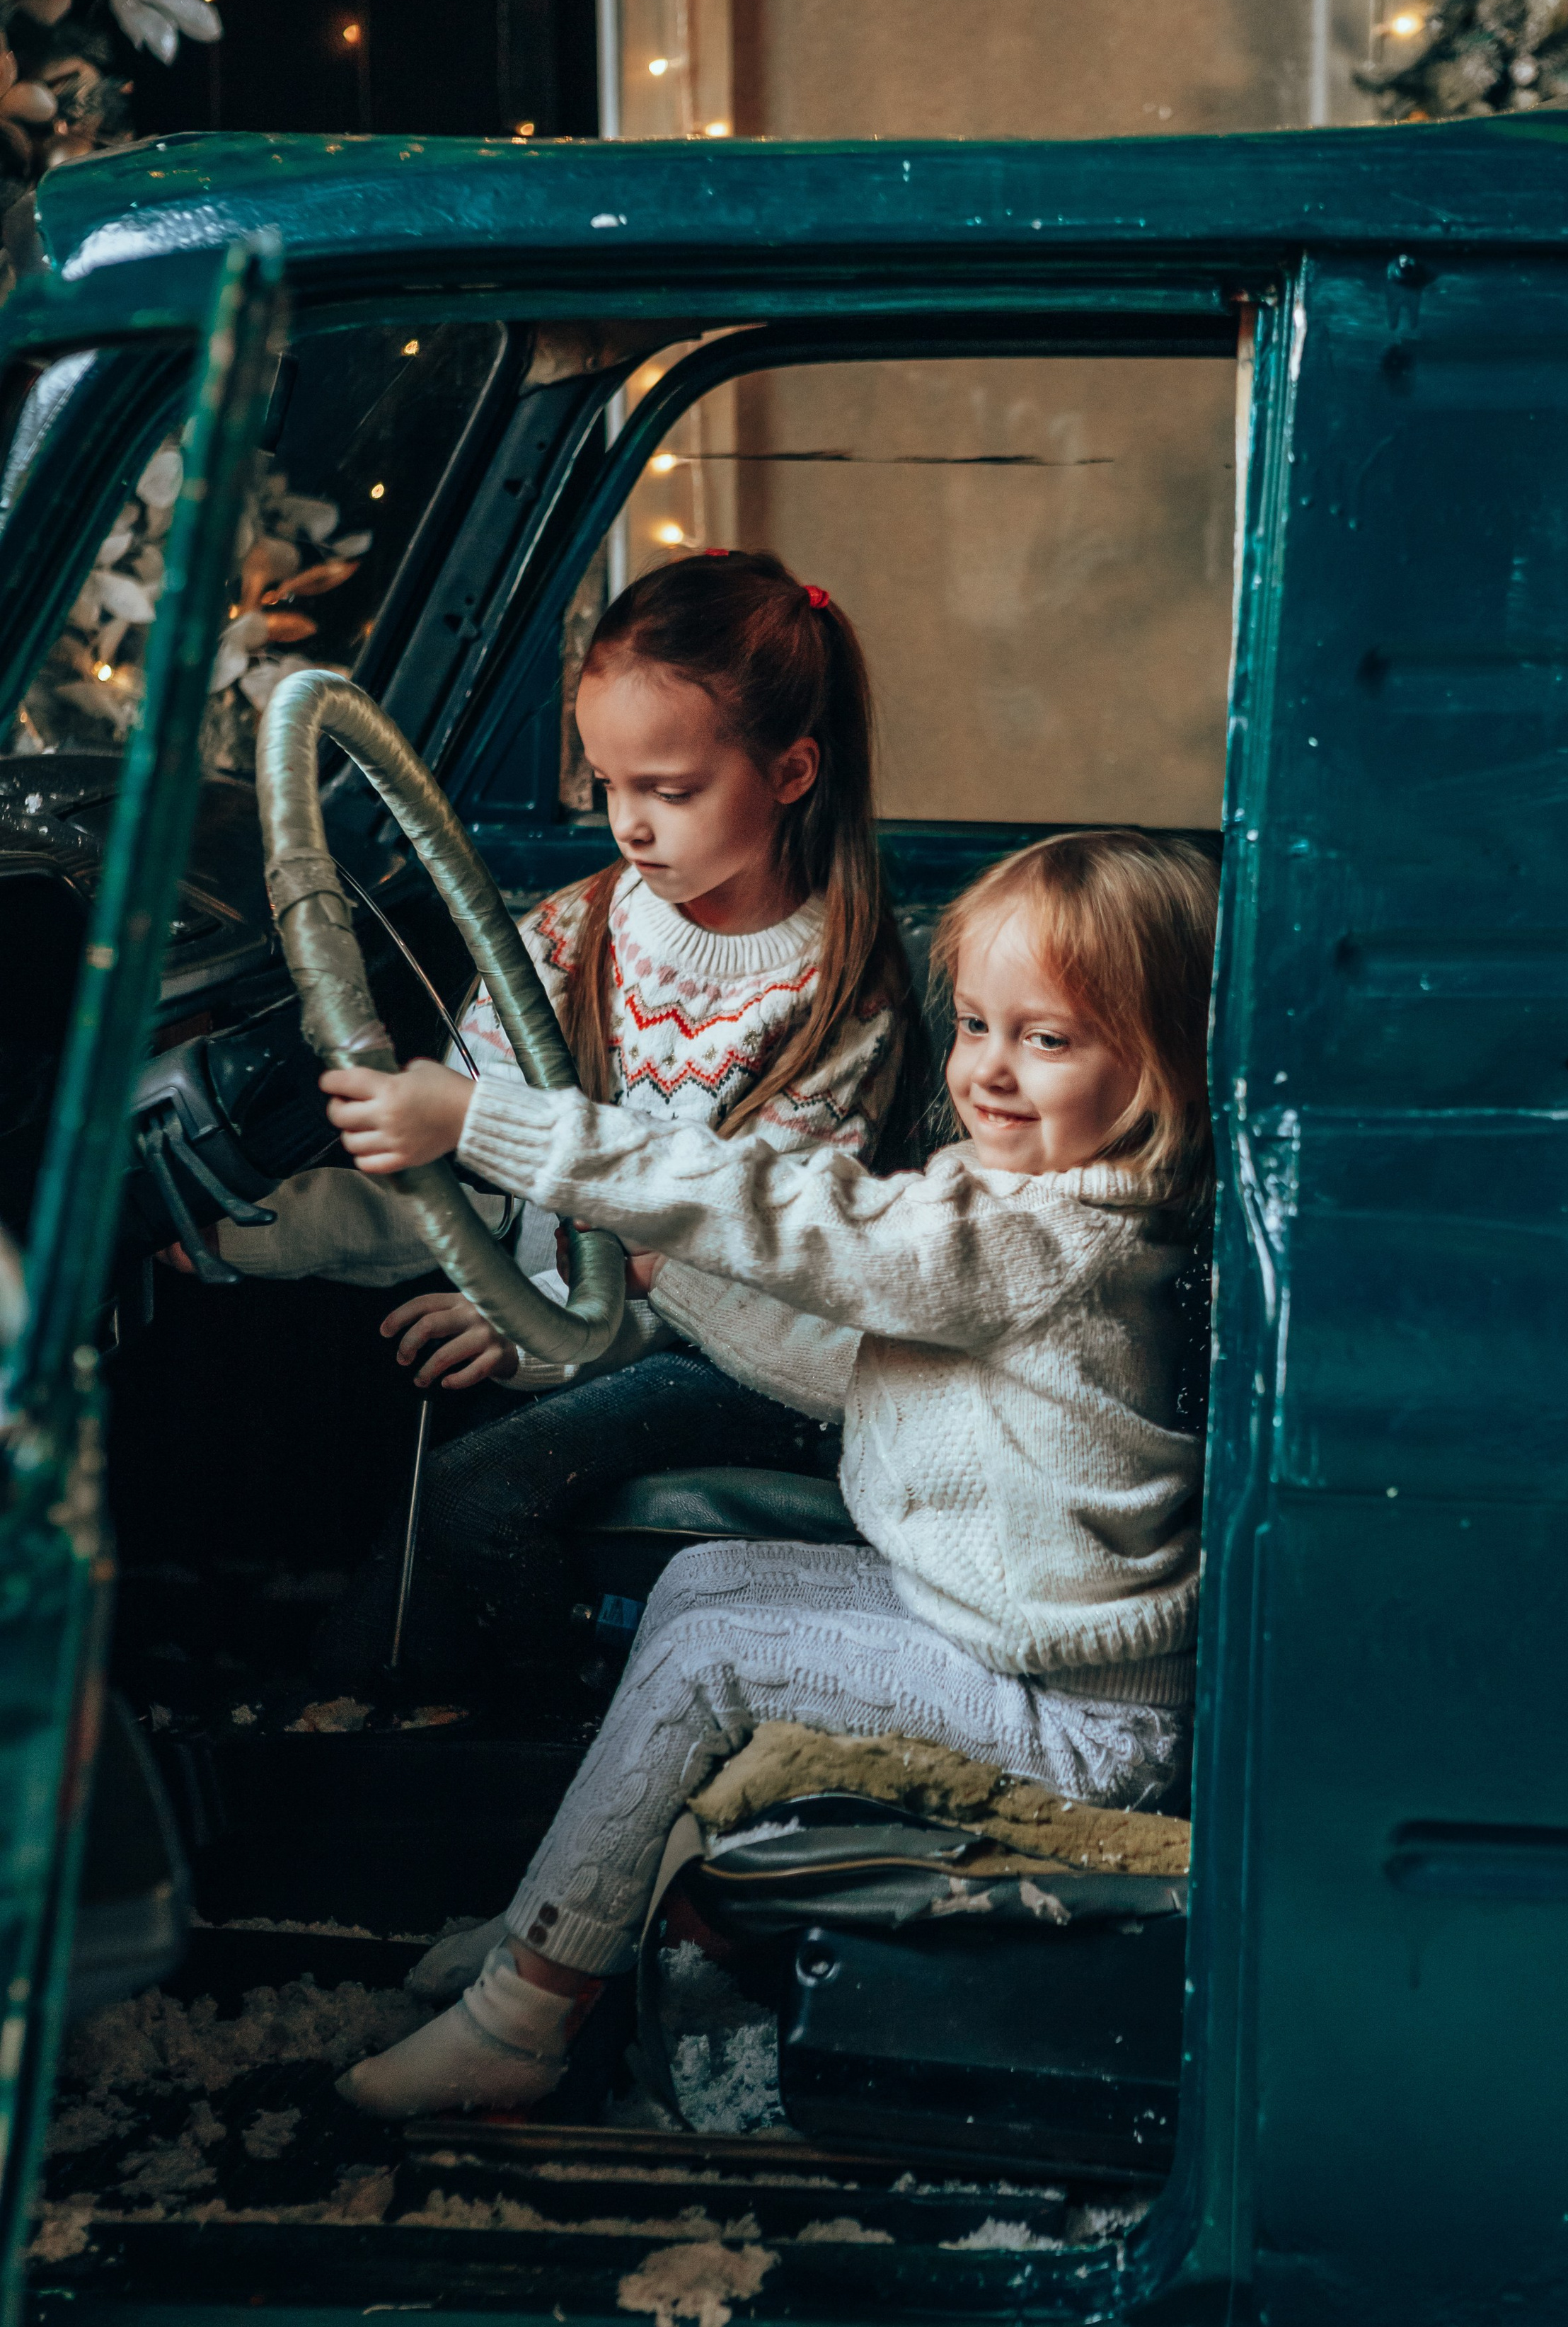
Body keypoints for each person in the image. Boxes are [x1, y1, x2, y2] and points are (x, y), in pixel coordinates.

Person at [316, 827, 1218, 2120]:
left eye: (1050, 1039)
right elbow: (862, 1359)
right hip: (1015, 1642)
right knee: (706, 1586)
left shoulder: (1041, 1239)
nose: (990, 1073)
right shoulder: (1038, 1212)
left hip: (1079, 1718)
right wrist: (667, 1275)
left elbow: (788, 1214)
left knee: (708, 1657)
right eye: (974, 1024)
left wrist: (488, 1122)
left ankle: (523, 2022)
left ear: (1159, 1071)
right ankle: (558, 1917)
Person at [219, 549, 912, 1693]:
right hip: (560, 1330)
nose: (627, 825)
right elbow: (451, 1179)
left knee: (473, 1496)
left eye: (670, 791)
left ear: (791, 772)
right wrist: (244, 1235)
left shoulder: (841, 998)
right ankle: (346, 1715)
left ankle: (560, 1720)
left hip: (737, 1363)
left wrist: (537, 1328)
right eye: (605, 784)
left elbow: (730, 1261)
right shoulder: (566, 936)